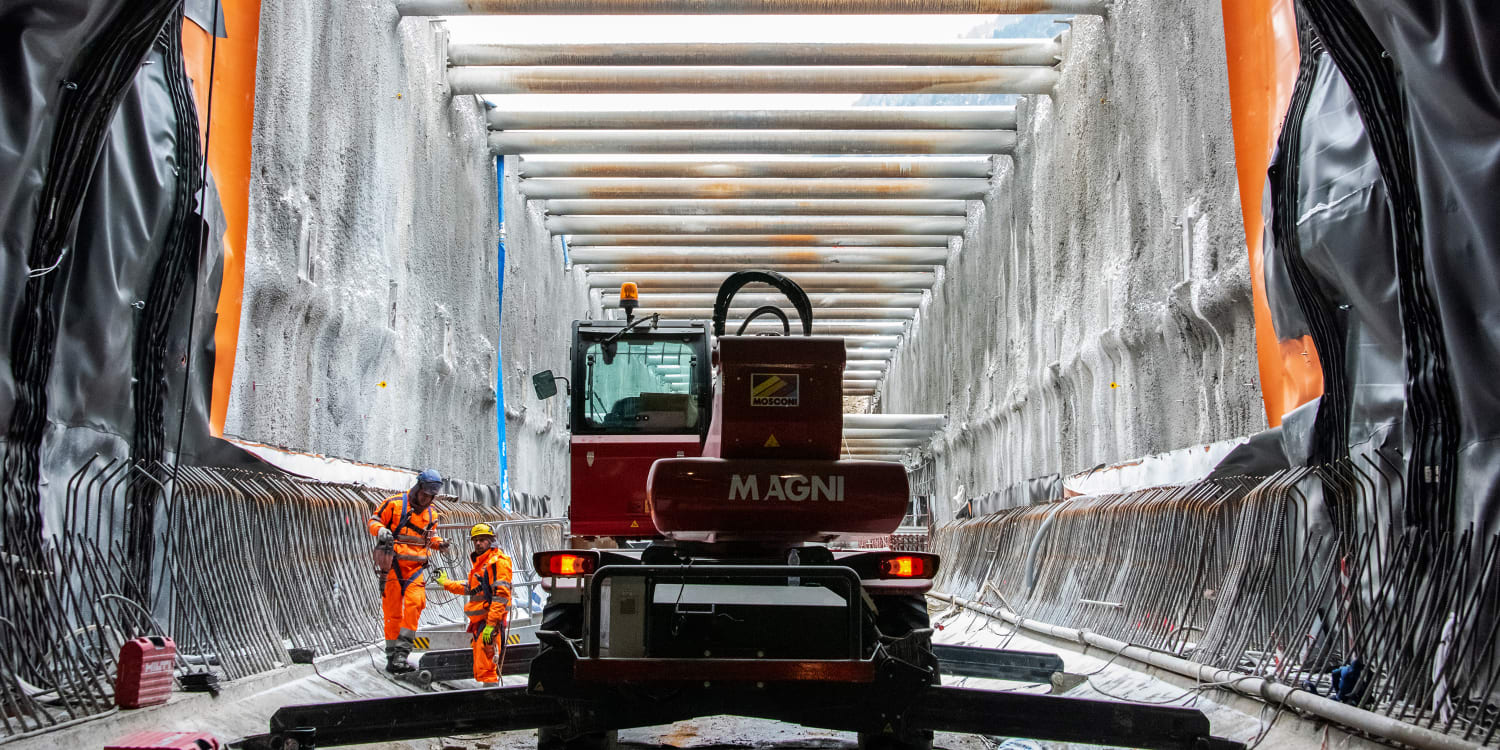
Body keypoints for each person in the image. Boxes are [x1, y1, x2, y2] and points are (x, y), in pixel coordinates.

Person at [367, 469, 448, 674]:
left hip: (415, 569)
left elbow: (430, 537)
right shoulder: (394, 504)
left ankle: (402, 653)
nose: (427, 499)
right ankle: (392, 657)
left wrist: (440, 544)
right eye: (425, 494)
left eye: (431, 496)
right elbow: (374, 521)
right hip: (393, 567)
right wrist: (381, 530)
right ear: (418, 488)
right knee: (392, 613)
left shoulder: (432, 514)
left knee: (416, 603)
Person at [437, 523, 513, 683]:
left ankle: (490, 694)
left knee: (488, 667)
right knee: (484, 666)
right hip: (481, 623)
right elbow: (473, 589)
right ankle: (489, 692)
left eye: (482, 539)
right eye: (475, 540)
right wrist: (446, 583)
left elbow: (501, 596)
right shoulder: (482, 564)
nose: (478, 543)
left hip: (489, 622)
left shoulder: (497, 562)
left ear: (491, 541)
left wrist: (491, 625)